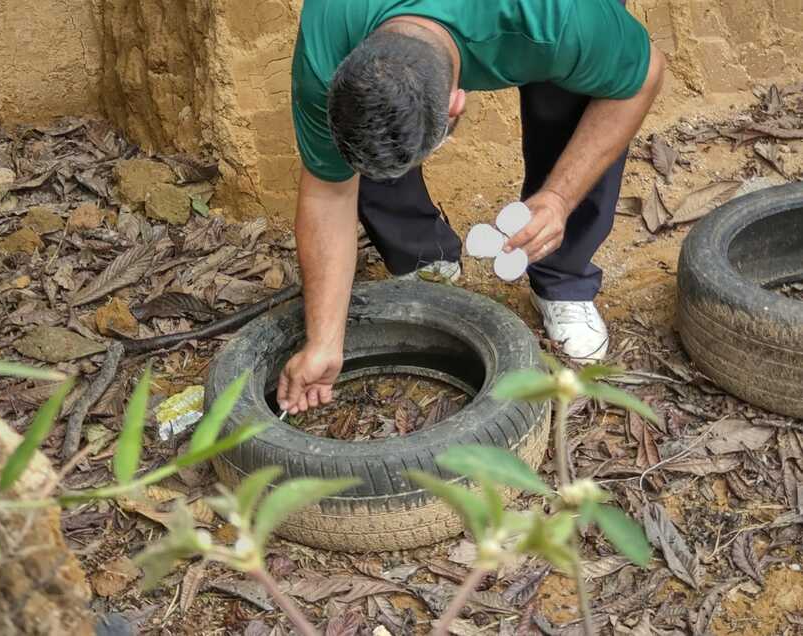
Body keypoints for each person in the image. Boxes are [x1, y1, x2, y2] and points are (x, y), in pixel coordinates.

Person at [277, 0, 665, 415]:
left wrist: (559, 197)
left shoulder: (559, 19)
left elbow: (642, 78)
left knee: (577, 89)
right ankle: (420, 253)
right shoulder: (328, 40)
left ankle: (562, 278)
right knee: (375, 142)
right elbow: (329, 193)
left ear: (456, 104)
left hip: (537, 22)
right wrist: (324, 340)